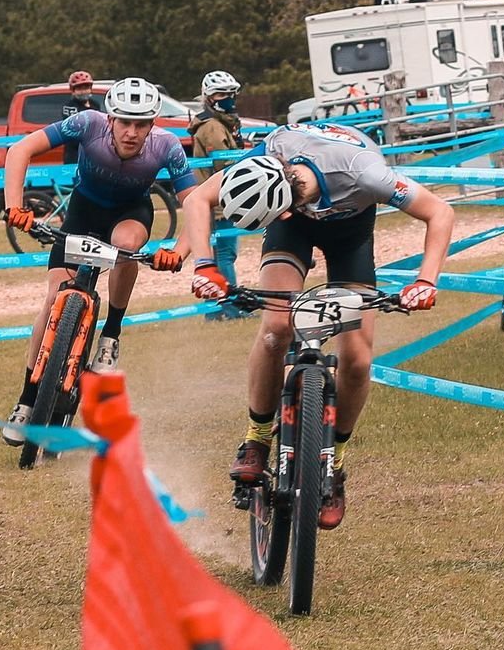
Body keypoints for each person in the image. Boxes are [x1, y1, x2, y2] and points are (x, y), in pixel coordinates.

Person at [181, 121, 454, 529]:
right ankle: (256, 438)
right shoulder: (267, 155)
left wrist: (425, 280)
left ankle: (335, 463)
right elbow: (198, 199)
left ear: (285, 205)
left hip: (350, 232)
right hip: (290, 229)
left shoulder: (365, 172)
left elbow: (440, 212)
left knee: (358, 360)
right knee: (276, 328)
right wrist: (206, 266)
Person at [1, 76, 195, 445]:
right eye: (125, 122)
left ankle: (111, 334)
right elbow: (20, 150)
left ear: (153, 124)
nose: (132, 132)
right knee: (52, 299)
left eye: (141, 124)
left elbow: (196, 203)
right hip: (83, 212)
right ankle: (26, 400)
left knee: (125, 245)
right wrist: (15, 206)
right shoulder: (86, 124)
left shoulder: (167, 146)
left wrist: (179, 251)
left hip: (130, 213)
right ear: (110, 119)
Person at [188, 70, 247, 320]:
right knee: (224, 254)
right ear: (210, 98)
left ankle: (215, 312)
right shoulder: (213, 126)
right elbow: (224, 164)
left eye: (231, 93)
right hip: (219, 199)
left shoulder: (221, 123)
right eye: (222, 94)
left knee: (219, 254)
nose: (229, 98)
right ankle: (230, 307)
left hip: (219, 197)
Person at [61, 70, 97, 164]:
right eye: (79, 89)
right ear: (73, 90)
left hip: (93, 154)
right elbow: (74, 130)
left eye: (86, 88)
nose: (83, 91)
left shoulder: (95, 105)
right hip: (75, 155)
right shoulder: (69, 107)